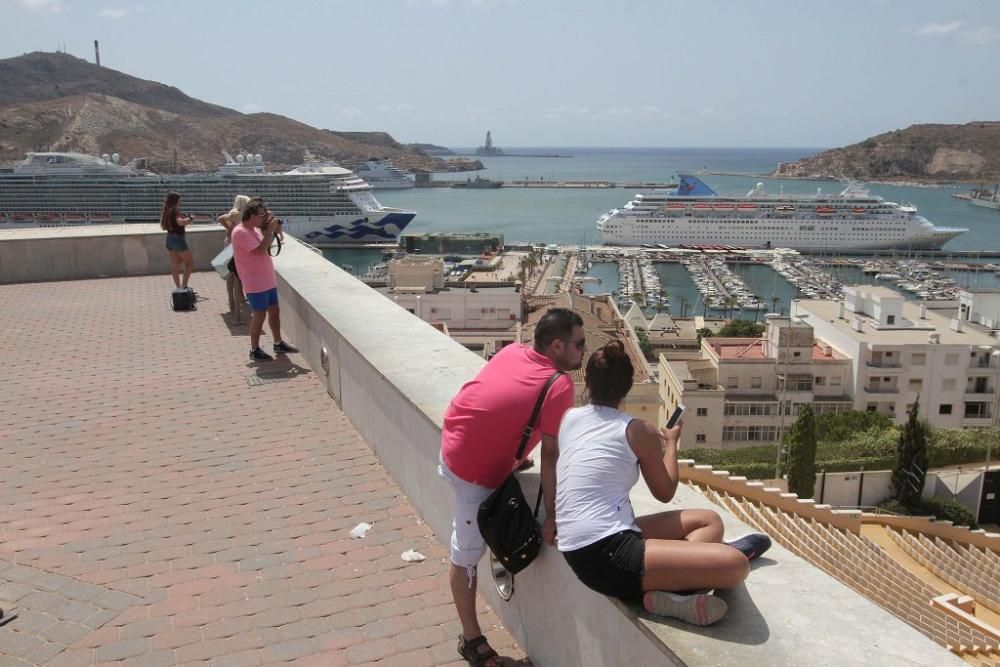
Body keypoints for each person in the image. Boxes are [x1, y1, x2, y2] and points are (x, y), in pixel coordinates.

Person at [556, 340, 771, 626]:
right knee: (737, 565)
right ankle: (692, 576)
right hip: (607, 556)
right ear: (628, 386)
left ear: (588, 381)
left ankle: (675, 589)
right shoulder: (635, 430)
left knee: (709, 521)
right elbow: (665, 491)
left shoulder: (570, 418)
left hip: (587, 544)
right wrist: (671, 444)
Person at [440, 307, 585, 667]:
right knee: (466, 556)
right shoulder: (560, 384)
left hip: (453, 441)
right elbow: (551, 455)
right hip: (472, 470)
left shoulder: (512, 350)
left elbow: (496, 402)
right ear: (557, 346)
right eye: (579, 344)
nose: (583, 350)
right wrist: (552, 515)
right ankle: (472, 642)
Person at [231, 197, 298, 361]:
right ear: (252, 216)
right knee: (259, 315)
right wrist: (269, 231)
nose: (264, 218)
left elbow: (266, 246)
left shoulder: (254, 229)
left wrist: (271, 229)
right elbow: (261, 251)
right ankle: (254, 349)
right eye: (261, 215)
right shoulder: (241, 232)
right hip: (255, 282)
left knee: (274, 311)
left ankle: (278, 342)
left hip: (267, 279)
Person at [217, 194, 251, 324]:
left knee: (229, 275)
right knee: (238, 278)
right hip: (236, 247)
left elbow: (220, 218)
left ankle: (231, 302)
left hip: (228, 244)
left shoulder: (233, 212)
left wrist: (228, 228)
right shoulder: (240, 214)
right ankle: (237, 311)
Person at [160, 191, 194, 289]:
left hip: (169, 239)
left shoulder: (167, 211)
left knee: (175, 265)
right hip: (177, 239)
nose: (180, 203)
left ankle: (178, 288)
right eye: (179, 201)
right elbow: (180, 222)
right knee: (189, 263)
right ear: (175, 201)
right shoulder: (175, 211)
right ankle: (184, 286)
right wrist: (190, 219)